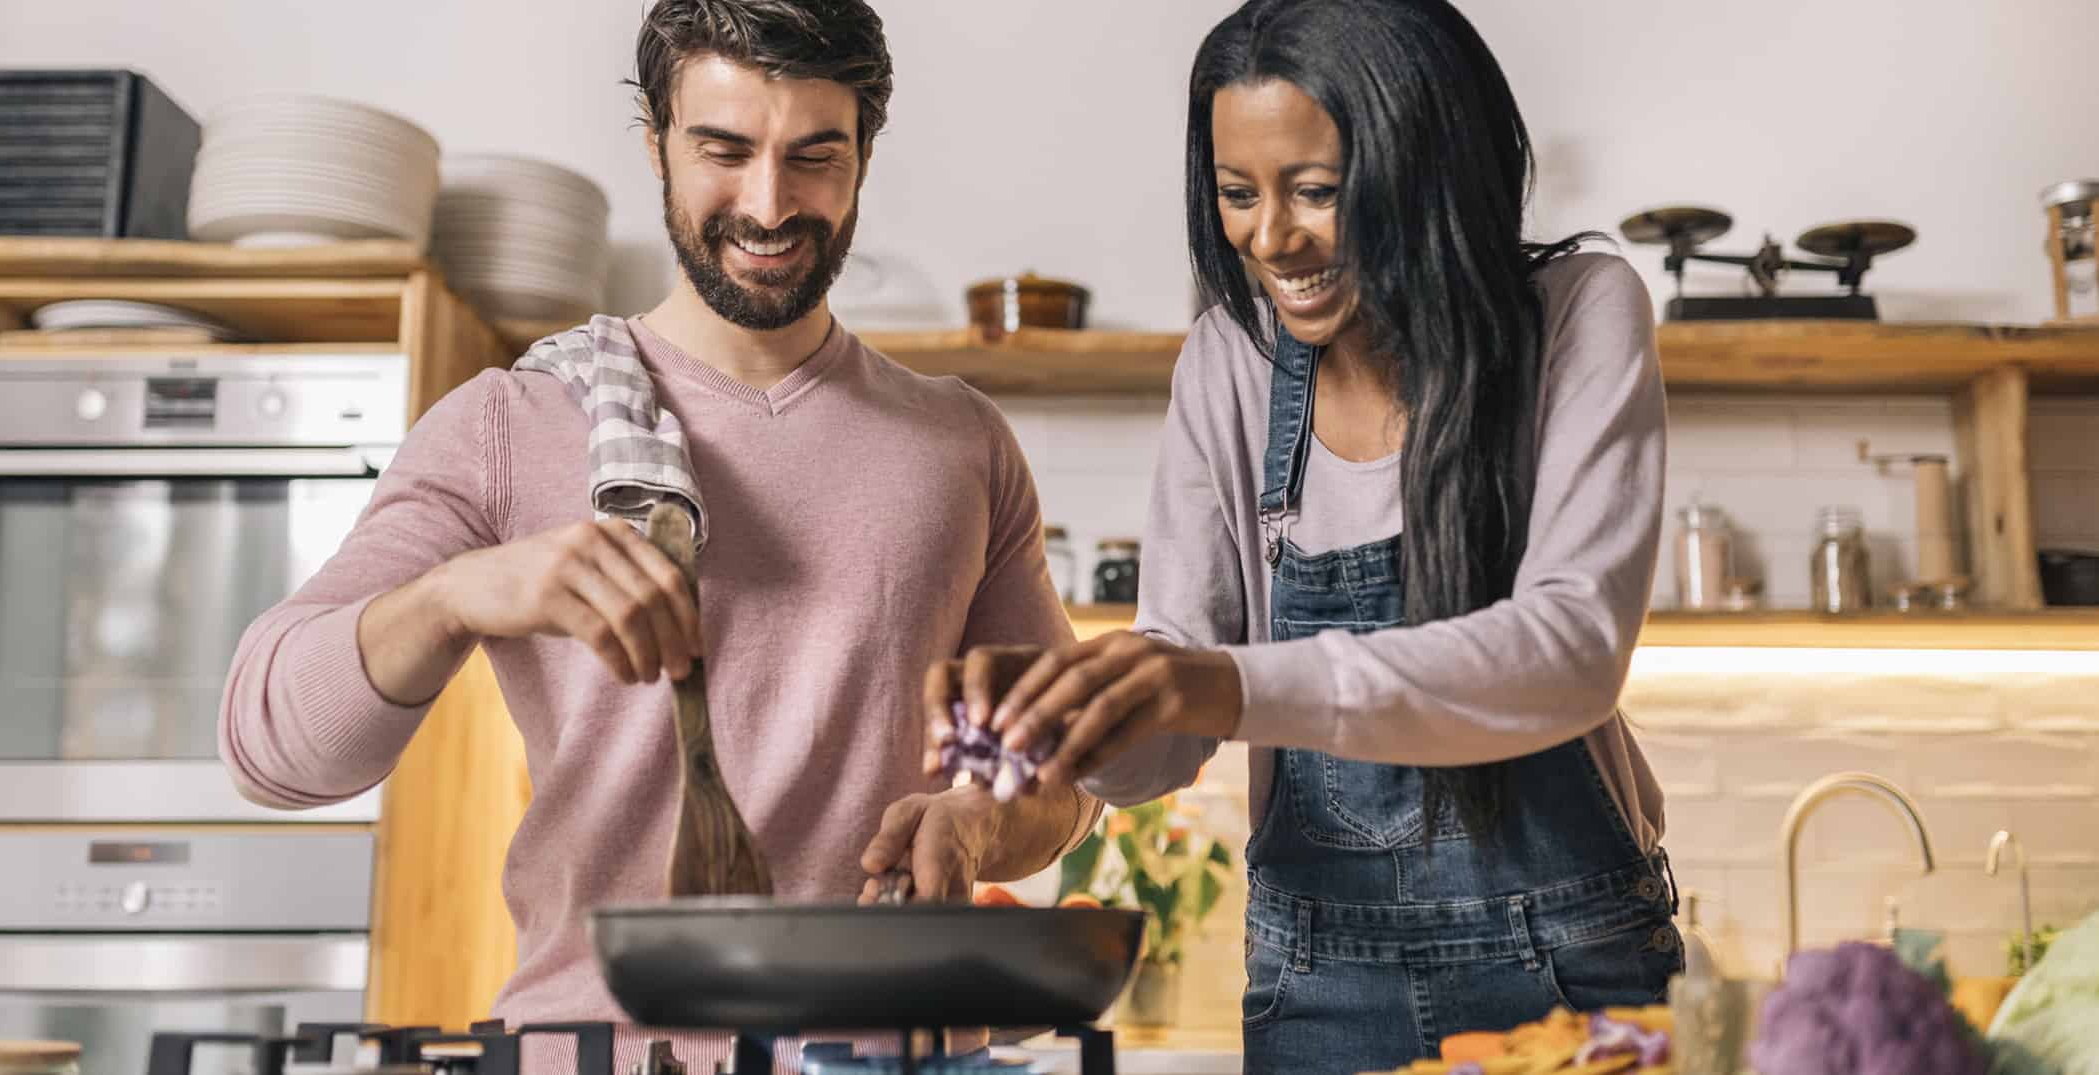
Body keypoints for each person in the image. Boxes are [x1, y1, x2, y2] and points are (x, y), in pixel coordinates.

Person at [221, 1, 1095, 1070]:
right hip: (600, 1047)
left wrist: (974, 818)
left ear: (865, 151)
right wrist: (457, 593)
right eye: (722, 150)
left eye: (814, 156)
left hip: (899, 1051)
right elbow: (272, 749)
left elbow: (1061, 771)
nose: (768, 205)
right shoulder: (514, 424)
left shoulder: (958, 442)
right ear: (655, 142)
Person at [932, 0, 1680, 1069]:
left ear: (1423, 164)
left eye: (1316, 191)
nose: (1269, 236)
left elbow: (1568, 652)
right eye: (1237, 193)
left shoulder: (1574, 314)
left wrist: (1214, 683)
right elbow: (1170, 728)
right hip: (1318, 982)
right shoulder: (1227, 367)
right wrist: (1073, 731)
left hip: (1571, 968)